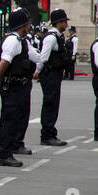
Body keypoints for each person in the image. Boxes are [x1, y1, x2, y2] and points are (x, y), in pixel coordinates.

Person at [0, 8, 37, 168]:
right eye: (27, 24)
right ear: (22, 25)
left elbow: (36, 56)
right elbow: (5, 61)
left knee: (15, 118)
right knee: (9, 120)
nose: (29, 26)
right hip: (12, 85)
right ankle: (4, 154)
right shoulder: (13, 41)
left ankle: (10, 149)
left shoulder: (21, 41)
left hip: (18, 85)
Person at [35, 9, 69, 147]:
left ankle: (50, 132)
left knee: (53, 104)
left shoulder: (57, 36)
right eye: (65, 21)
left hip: (54, 74)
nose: (66, 24)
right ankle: (47, 135)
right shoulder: (51, 37)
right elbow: (43, 57)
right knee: (50, 104)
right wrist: (37, 71)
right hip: (50, 74)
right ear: (59, 22)